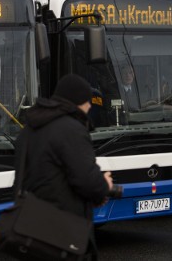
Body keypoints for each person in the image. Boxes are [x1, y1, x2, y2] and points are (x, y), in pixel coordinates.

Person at [13, 74, 114, 260]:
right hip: (63, 233)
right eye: (87, 101)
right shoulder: (71, 129)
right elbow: (87, 180)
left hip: (30, 229)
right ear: (77, 101)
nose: (90, 106)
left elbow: (46, 178)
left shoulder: (28, 130)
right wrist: (104, 185)